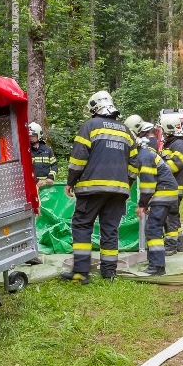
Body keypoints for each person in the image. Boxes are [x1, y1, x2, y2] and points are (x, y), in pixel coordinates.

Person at [61, 91, 140, 284]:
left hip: (91, 189)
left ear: (94, 108)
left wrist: (71, 181)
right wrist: (127, 185)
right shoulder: (126, 131)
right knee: (110, 229)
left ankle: (81, 272)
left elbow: (79, 158)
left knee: (82, 225)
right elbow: (134, 164)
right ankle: (109, 272)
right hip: (118, 191)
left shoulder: (89, 126)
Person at [127, 116, 179, 276]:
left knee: (153, 227)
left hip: (164, 192)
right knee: (153, 227)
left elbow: (148, 184)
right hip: (164, 191)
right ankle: (155, 262)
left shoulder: (144, 156)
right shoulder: (142, 154)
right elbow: (132, 176)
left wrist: (142, 205)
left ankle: (157, 266)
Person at [158, 113, 183, 256]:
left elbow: (174, 166)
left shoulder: (179, 144)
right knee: (174, 216)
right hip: (171, 187)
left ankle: (170, 247)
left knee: (169, 217)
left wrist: (156, 164)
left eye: (163, 131)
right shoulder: (173, 143)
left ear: (168, 130)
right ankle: (178, 245)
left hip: (174, 188)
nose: (162, 134)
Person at [29, 122, 58, 189]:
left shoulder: (47, 150)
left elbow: (54, 165)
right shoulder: (26, 151)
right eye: (29, 136)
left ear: (39, 135)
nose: (30, 138)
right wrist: (36, 180)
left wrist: (51, 177)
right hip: (32, 186)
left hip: (47, 186)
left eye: (33, 135)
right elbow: (25, 169)